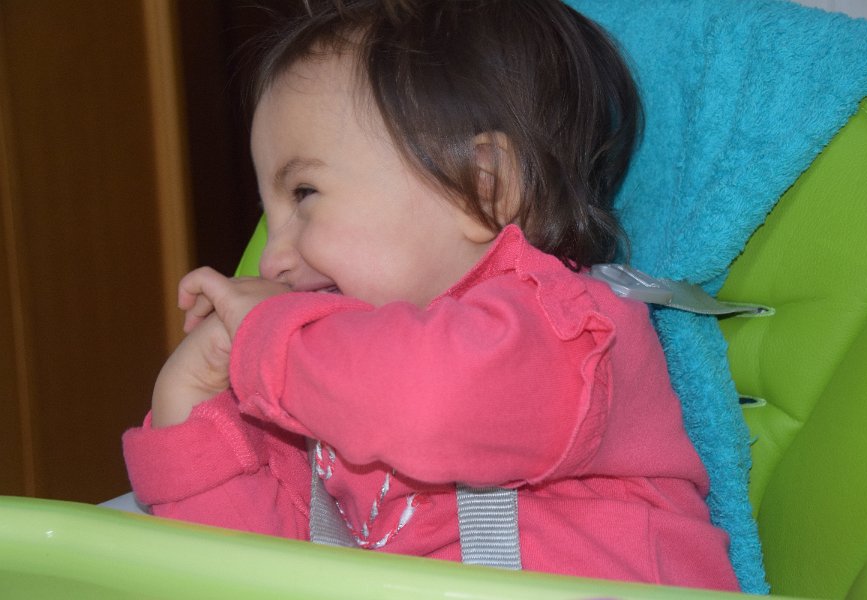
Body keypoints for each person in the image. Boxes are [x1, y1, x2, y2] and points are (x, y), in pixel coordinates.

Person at [123, 0, 739, 590]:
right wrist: (189, 409)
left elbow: (428, 403)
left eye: (304, 194)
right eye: (268, 213)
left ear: (483, 186)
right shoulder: (323, 387)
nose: (271, 259)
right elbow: (253, 568)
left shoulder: (569, 331)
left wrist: (273, 338)